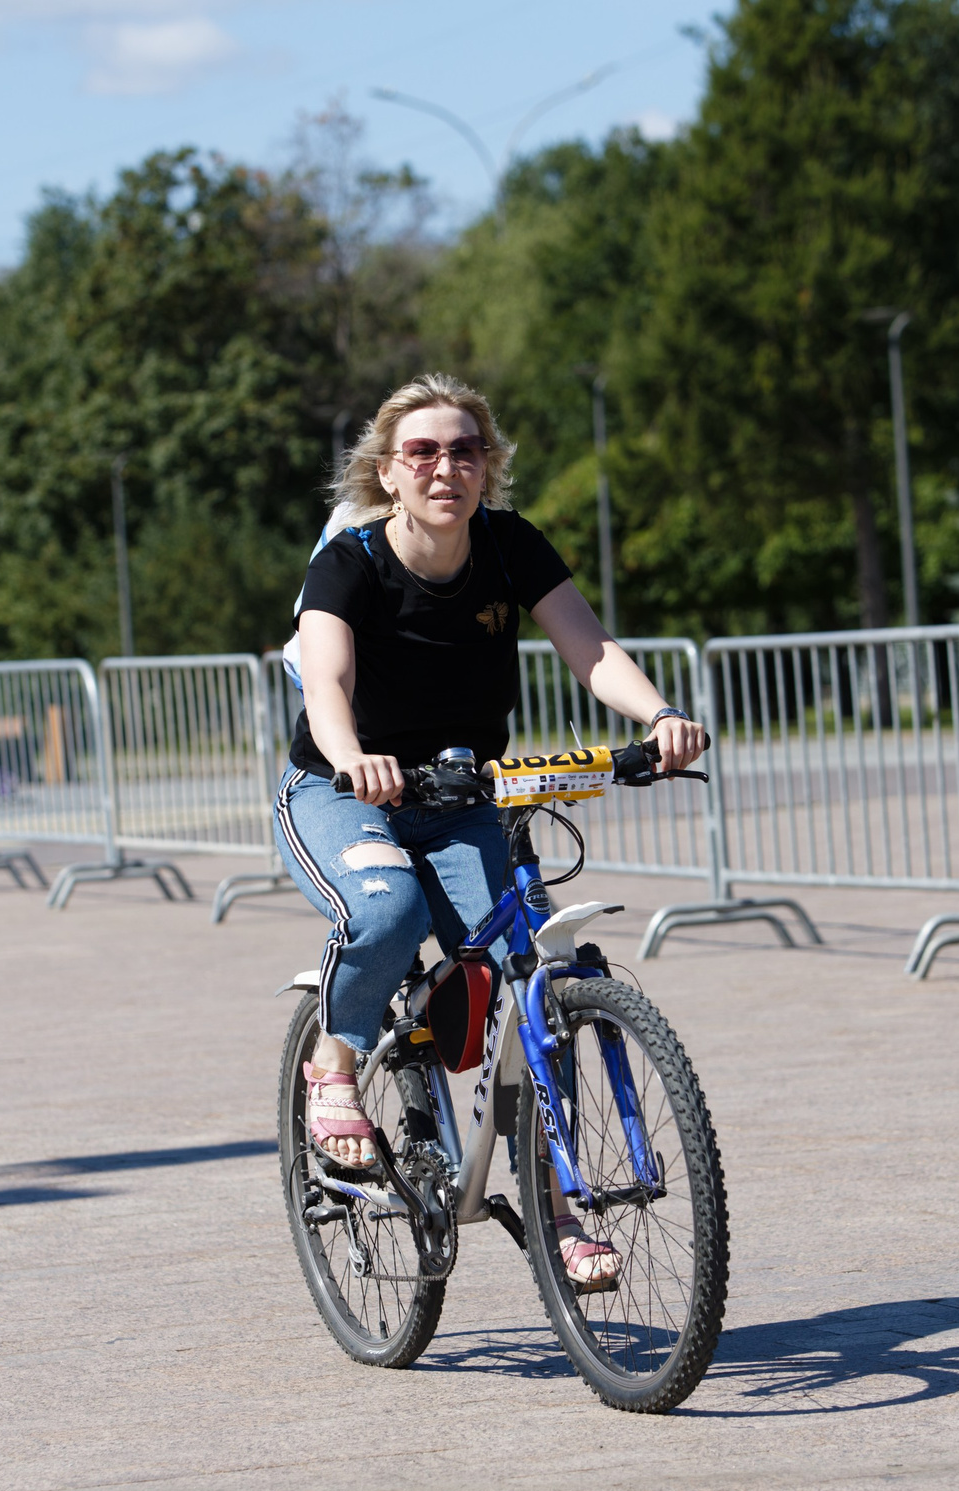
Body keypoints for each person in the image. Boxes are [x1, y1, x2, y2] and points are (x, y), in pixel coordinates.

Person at [276, 373, 707, 1293]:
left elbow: (590, 650)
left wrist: (659, 715)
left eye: (465, 450)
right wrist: (355, 757)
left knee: (530, 974)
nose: (446, 467)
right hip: (340, 791)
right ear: (389, 472)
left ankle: (556, 1211)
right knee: (388, 913)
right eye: (423, 452)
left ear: (488, 468)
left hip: (464, 793)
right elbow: (327, 685)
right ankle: (336, 1061)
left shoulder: (510, 548)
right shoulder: (348, 563)